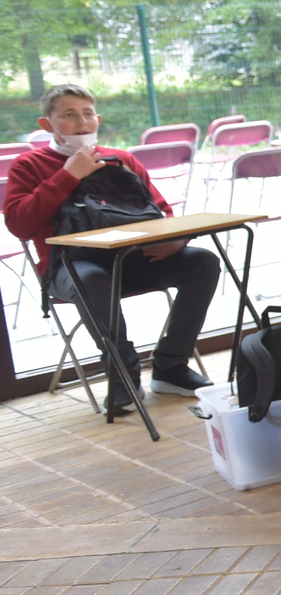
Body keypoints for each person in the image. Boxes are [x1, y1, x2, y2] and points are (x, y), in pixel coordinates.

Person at [3, 84, 219, 416]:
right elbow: (19, 225)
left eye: (88, 114)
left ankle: (171, 366)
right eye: (69, 115)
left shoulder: (122, 159)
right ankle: (122, 373)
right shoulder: (29, 165)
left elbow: (162, 212)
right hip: (69, 267)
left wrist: (178, 241)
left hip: (133, 258)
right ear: (47, 124)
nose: (81, 123)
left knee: (203, 262)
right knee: (93, 279)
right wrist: (68, 175)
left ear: (98, 119)